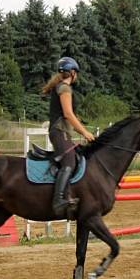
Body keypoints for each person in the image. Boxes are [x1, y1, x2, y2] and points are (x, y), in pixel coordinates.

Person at [41, 56, 96, 215]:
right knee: (69, 162)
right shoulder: (65, 88)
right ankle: (58, 200)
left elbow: (70, 115)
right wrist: (84, 132)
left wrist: (81, 125)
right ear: (72, 72)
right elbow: (68, 114)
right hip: (60, 131)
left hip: (60, 131)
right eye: (76, 72)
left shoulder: (59, 86)